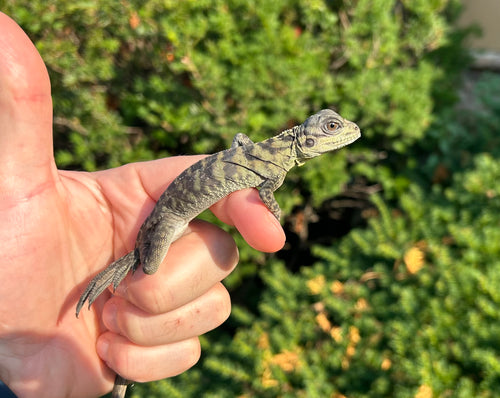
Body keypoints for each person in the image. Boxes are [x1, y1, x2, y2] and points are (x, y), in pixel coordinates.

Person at [0, 12, 285, 398]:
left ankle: (117, 377)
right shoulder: (272, 167)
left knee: (154, 287)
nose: (340, 133)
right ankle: (121, 270)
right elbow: (263, 191)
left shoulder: (271, 158)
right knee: (149, 267)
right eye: (330, 129)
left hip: (177, 213)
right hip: (171, 215)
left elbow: (240, 139)